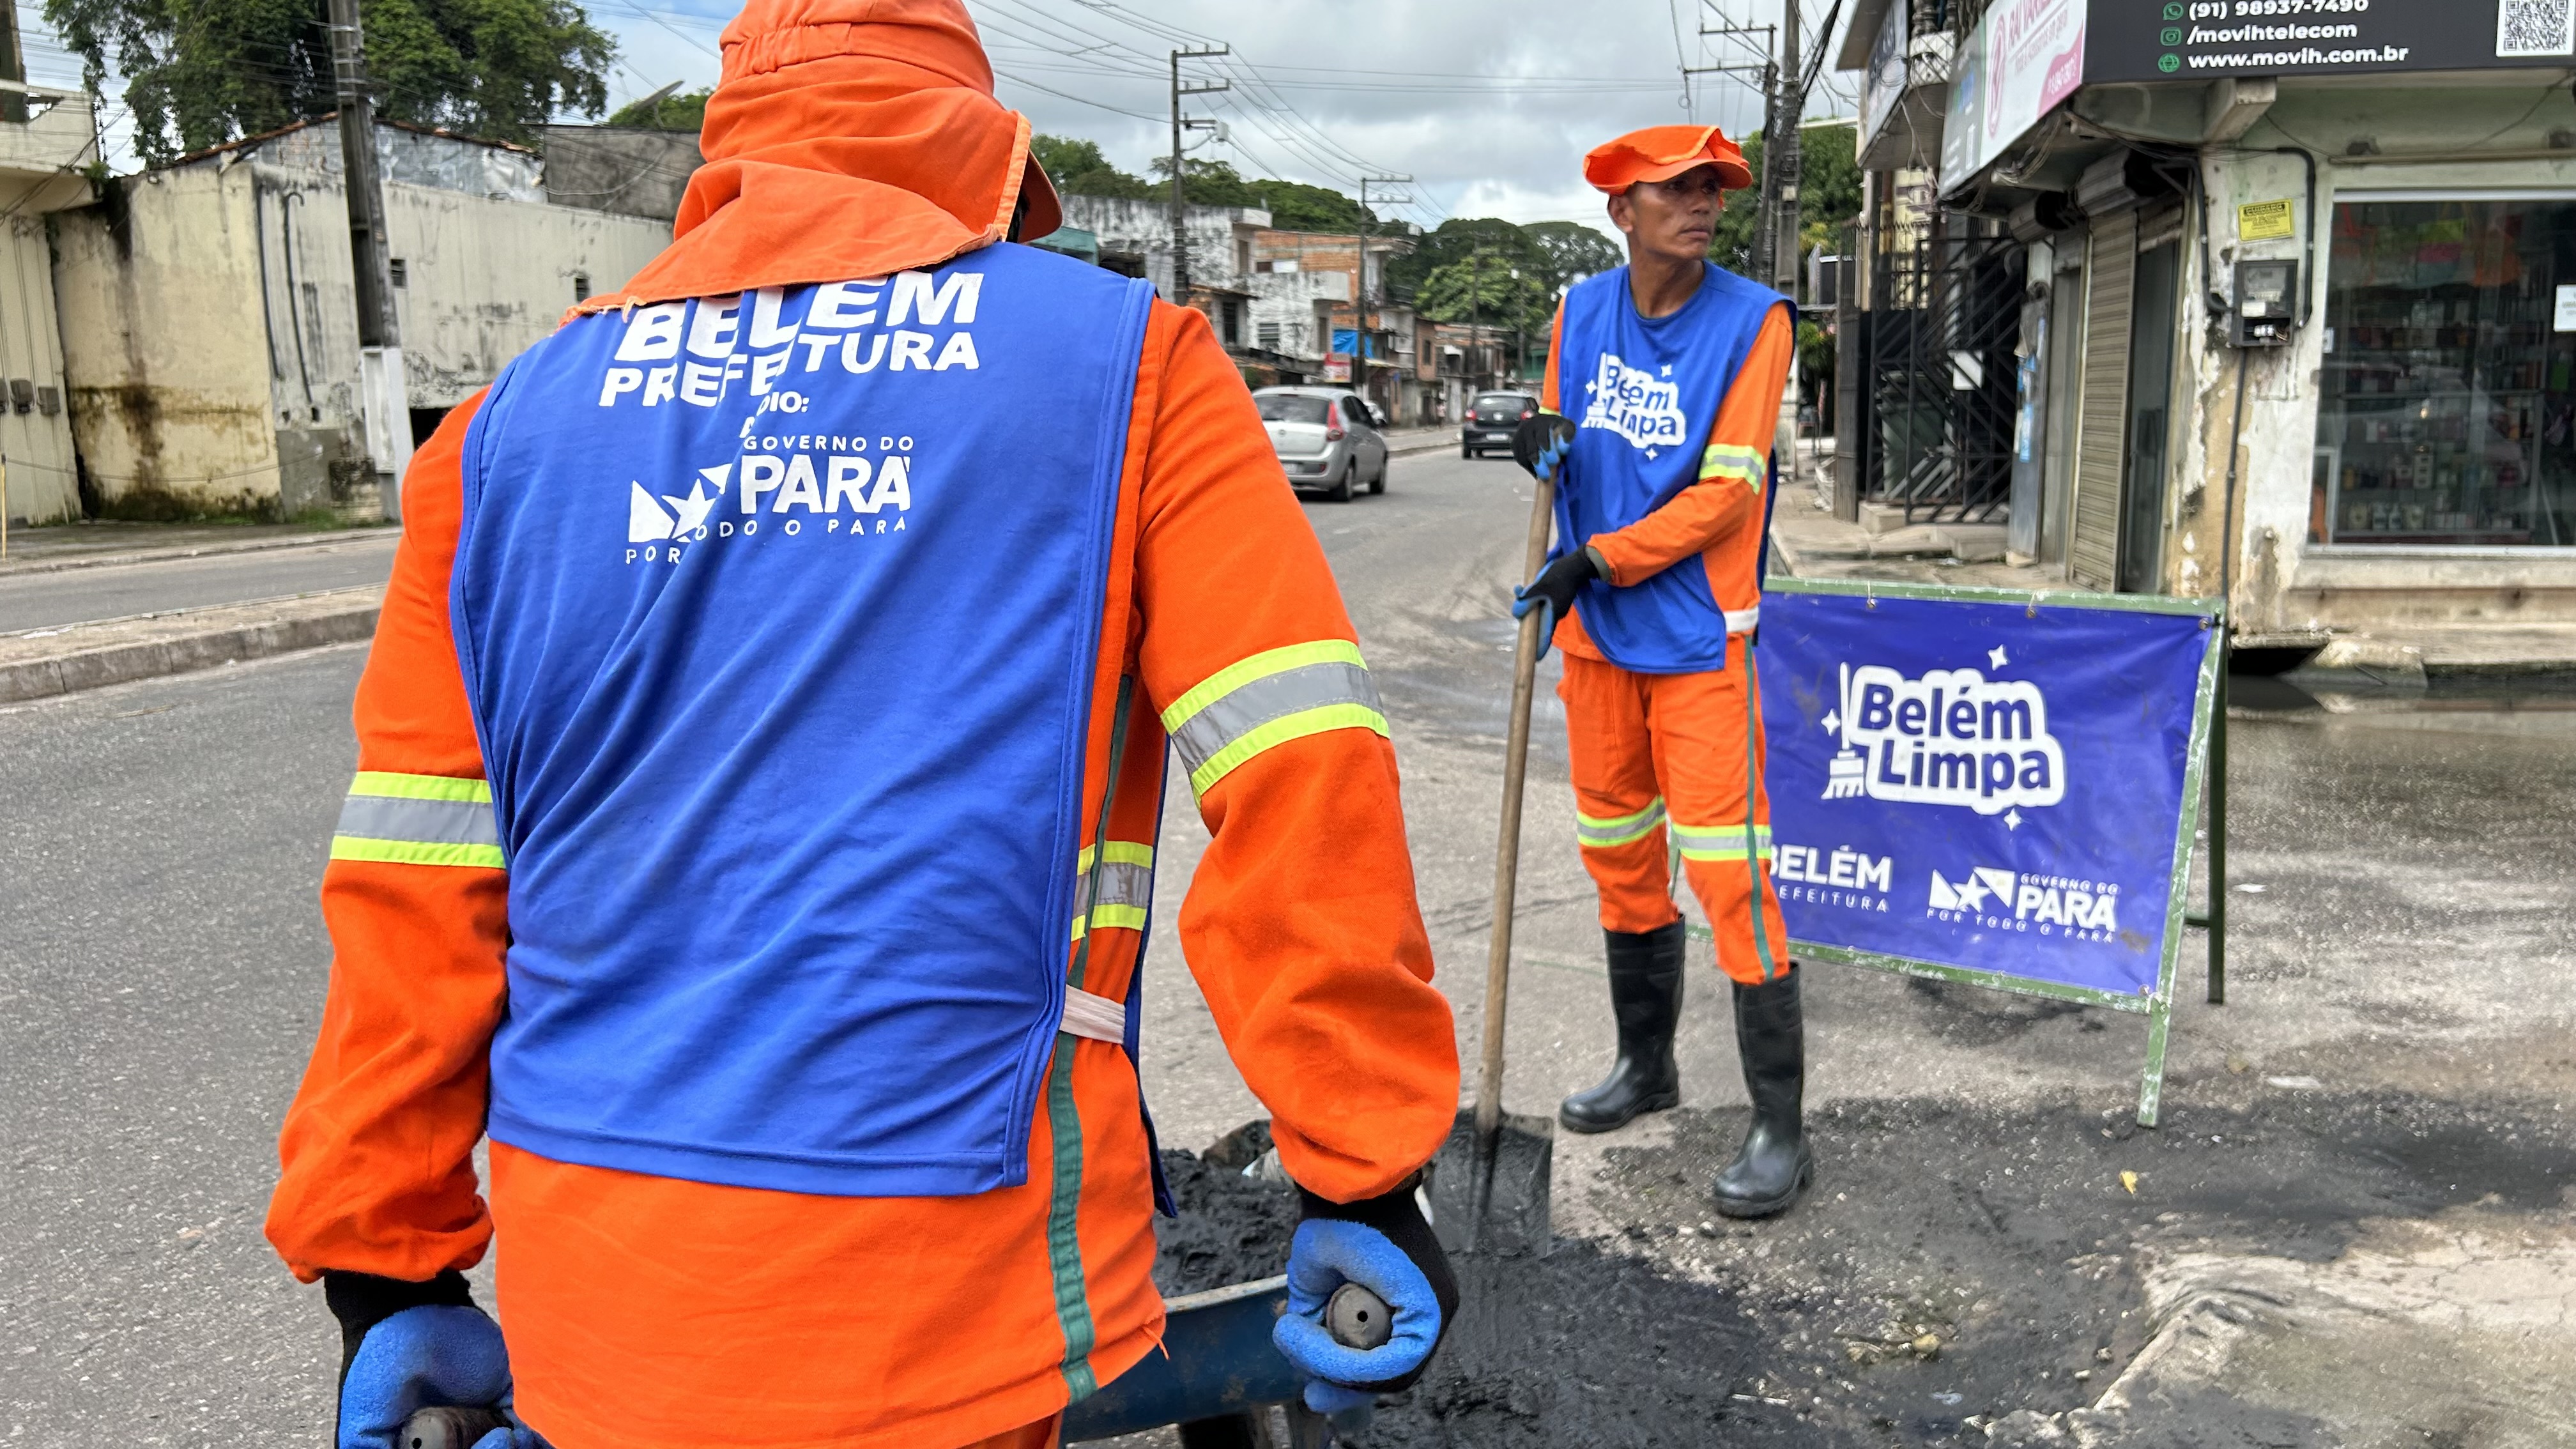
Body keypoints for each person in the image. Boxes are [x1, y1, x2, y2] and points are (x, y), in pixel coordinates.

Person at [261, 3, 1460, 1445]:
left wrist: (378, 1269)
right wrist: (1363, 1170)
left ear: (729, 153)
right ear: (984, 148)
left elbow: (417, 884)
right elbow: (1298, 774)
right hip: (954, 1277)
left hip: (608, 1286)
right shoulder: (1127, 369)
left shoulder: (500, 433)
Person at [1508, 125, 1811, 1219]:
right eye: (1676, 188)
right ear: (1621, 210)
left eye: (1713, 189)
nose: (1703, 203)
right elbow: (1565, 435)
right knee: (1620, 861)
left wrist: (1601, 556)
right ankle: (1650, 1068)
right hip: (1596, 646)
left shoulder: (1756, 322)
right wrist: (1543, 442)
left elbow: (1728, 492)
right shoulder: (1579, 312)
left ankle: (1781, 1125)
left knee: (1731, 877)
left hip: (1696, 644)